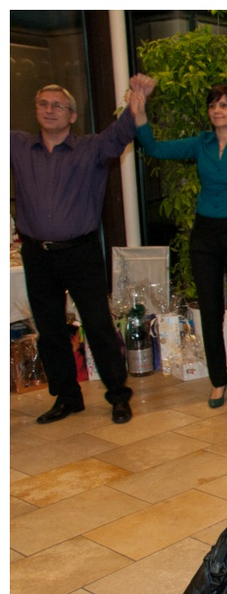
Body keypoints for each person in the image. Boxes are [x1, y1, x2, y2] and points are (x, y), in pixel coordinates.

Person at [10, 81, 149, 425]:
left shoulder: (91, 148)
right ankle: (67, 398)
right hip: (37, 254)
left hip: (81, 252)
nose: (49, 110)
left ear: (72, 115)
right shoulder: (18, 146)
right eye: (43, 104)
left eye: (57, 105)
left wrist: (136, 104)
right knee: (50, 330)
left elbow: (120, 133)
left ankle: (118, 396)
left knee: (98, 325)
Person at [133, 77, 227, 408]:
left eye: (224, 105)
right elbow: (155, 148)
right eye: (212, 105)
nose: (217, 110)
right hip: (205, 232)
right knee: (210, 309)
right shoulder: (202, 143)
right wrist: (140, 113)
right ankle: (218, 381)